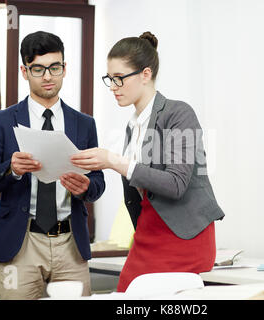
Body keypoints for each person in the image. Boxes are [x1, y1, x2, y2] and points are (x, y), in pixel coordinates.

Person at [70, 31, 225, 292]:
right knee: (125, 293)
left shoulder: (179, 113)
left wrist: (112, 161)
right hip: (147, 232)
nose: (113, 87)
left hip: (182, 235)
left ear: (145, 74)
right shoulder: (134, 126)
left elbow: (176, 184)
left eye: (119, 78)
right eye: (110, 79)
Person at [0, 31, 105, 299]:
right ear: (25, 71)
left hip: (71, 242)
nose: (47, 76)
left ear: (64, 68)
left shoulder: (84, 123)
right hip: (21, 242)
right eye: (38, 69)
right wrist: (11, 169)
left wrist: (86, 187)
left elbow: (98, 183)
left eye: (54, 68)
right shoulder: (1, 121)